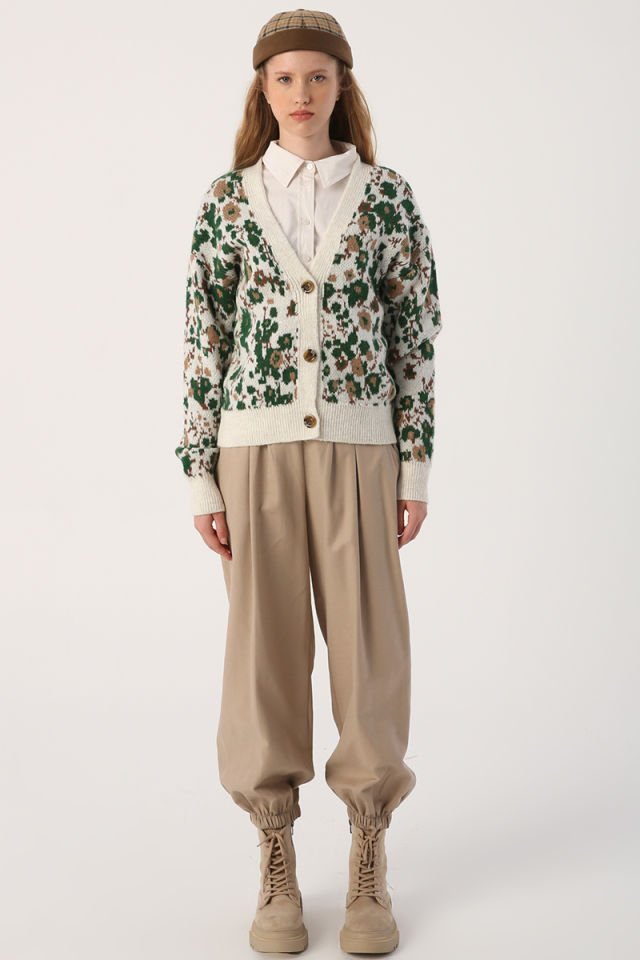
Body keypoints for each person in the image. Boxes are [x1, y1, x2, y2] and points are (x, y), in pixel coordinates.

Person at [174, 8, 443, 955]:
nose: (302, 93)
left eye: (318, 77)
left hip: (363, 452)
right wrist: (201, 477)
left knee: (370, 652)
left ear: (342, 86)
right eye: (285, 77)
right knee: (264, 658)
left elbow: (416, 339)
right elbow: (203, 340)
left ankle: (368, 856)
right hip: (252, 455)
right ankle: (277, 859)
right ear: (263, 88)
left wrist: (415, 464)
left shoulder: (387, 197)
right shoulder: (227, 200)